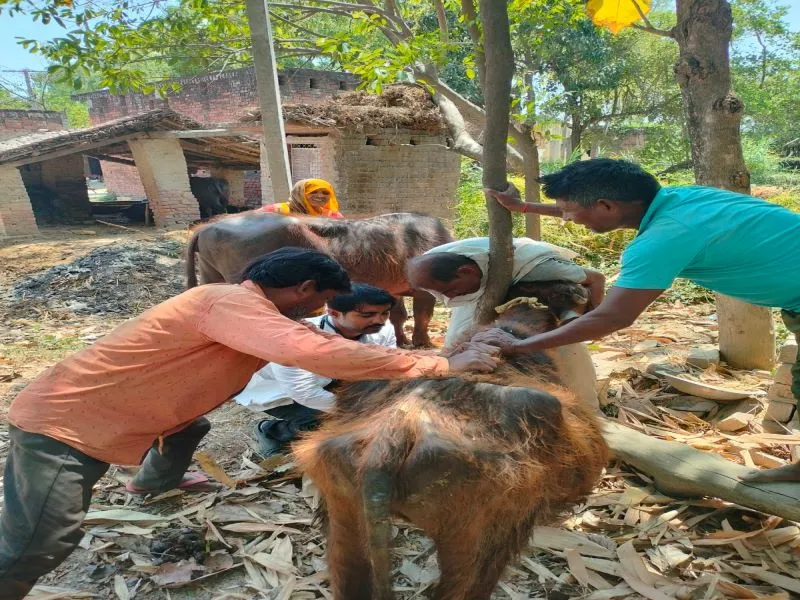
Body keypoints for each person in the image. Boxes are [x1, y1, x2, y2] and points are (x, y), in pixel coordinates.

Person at [0, 247, 498, 599]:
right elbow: (310, 352)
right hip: (64, 424)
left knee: (189, 427)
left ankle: (150, 483)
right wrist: (441, 365)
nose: (315, 313)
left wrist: (436, 355)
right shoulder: (230, 304)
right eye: (317, 302)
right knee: (42, 540)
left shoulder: (239, 304)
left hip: (122, 410)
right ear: (304, 289)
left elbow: (323, 344)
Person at [481, 158, 800, 483]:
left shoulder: (662, 239)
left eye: (570, 211)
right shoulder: (681, 200)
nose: (568, 219)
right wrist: (522, 208)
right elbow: (584, 209)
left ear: (606, 205)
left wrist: (522, 346)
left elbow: (614, 316)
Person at [406, 237, 606, 407]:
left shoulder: (540, 269)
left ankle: (587, 404)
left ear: (465, 272)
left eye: (448, 291)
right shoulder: (429, 265)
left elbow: (597, 278)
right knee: (457, 340)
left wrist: (594, 317)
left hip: (539, 293)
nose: (446, 299)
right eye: (438, 294)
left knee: (568, 348)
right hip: (477, 291)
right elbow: (448, 292)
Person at [235, 283, 397, 456]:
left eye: (384, 313)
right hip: (280, 390)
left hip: (330, 380)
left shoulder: (384, 329)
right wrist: (360, 410)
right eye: (367, 315)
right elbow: (304, 393)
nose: (379, 320)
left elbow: (387, 367)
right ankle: (272, 431)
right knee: (333, 420)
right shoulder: (295, 339)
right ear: (333, 313)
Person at [259, 178, 343, 218]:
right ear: (299, 193)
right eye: (313, 192)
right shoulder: (275, 211)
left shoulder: (334, 217)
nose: (320, 196)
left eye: (325, 193)